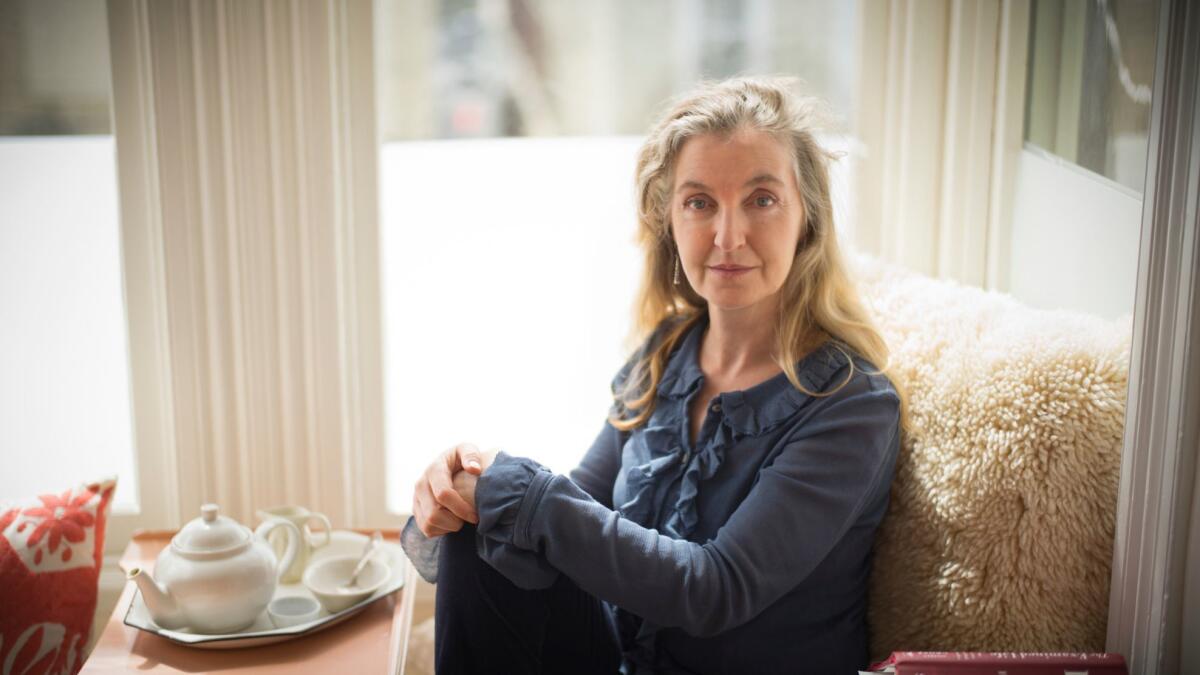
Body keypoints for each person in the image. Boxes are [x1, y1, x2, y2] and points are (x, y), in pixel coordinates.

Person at [400, 75, 905, 675]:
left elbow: (716, 589)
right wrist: (467, 485)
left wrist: (525, 494)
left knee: (514, 505)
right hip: (621, 661)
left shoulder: (851, 405)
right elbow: (580, 502)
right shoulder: (668, 353)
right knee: (484, 531)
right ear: (670, 221)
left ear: (808, 220)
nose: (727, 236)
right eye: (699, 203)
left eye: (761, 199)